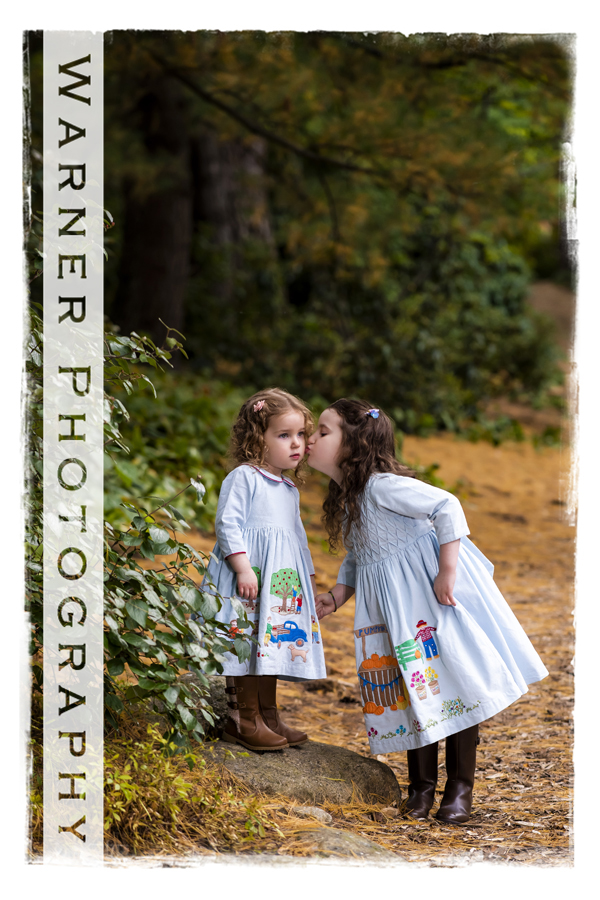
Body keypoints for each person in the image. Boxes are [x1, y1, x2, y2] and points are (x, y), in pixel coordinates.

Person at [307, 398, 548, 825]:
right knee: (411, 688)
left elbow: (447, 505)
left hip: (428, 604)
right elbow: (360, 556)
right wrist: (338, 595)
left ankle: (459, 789)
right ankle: (420, 789)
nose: (311, 439)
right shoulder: (351, 499)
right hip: (391, 611)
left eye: (323, 432)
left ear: (353, 444)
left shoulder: (382, 486)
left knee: (449, 683)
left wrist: (447, 570)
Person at [199, 388, 325, 752]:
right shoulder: (245, 477)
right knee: (243, 642)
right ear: (258, 438)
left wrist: (310, 581)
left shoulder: (289, 488)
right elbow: (227, 524)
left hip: (280, 583)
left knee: (267, 644)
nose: (296, 443)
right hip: (249, 580)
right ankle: (242, 718)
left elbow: (298, 539)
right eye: (284, 435)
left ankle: (268, 716)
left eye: (301, 434)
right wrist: (242, 567)